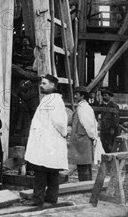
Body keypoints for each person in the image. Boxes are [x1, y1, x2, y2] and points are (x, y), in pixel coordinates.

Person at [24, 74, 68, 207]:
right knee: (50, 171)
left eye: (44, 83)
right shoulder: (48, 99)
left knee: (42, 171)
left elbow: (59, 122)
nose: (41, 86)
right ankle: (50, 198)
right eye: (41, 83)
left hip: (49, 142)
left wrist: (63, 133)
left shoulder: (55, 101)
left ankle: (39, 199)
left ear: (53, 86)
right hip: (46, 142)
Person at [69, 86, 98, 181]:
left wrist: (93, 137)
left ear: (82, 96)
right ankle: (85, 183)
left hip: (83, 141)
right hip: (80, 140)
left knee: (84, 165)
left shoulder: (85, 108)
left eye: (77, 94)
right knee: (82, 165)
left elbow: (89, 125)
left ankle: (85, 184)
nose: (75, 96)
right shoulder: (81, 107)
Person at [99, 88, 120, 153]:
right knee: (105, 145)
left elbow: (116, 119)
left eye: (106, 95)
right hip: (105, 129)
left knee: (110, 146)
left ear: (110, 96)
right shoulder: (105, 105)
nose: (104, 97)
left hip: (110, 130)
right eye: (103, 96)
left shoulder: (114, 105)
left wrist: (113, 129)